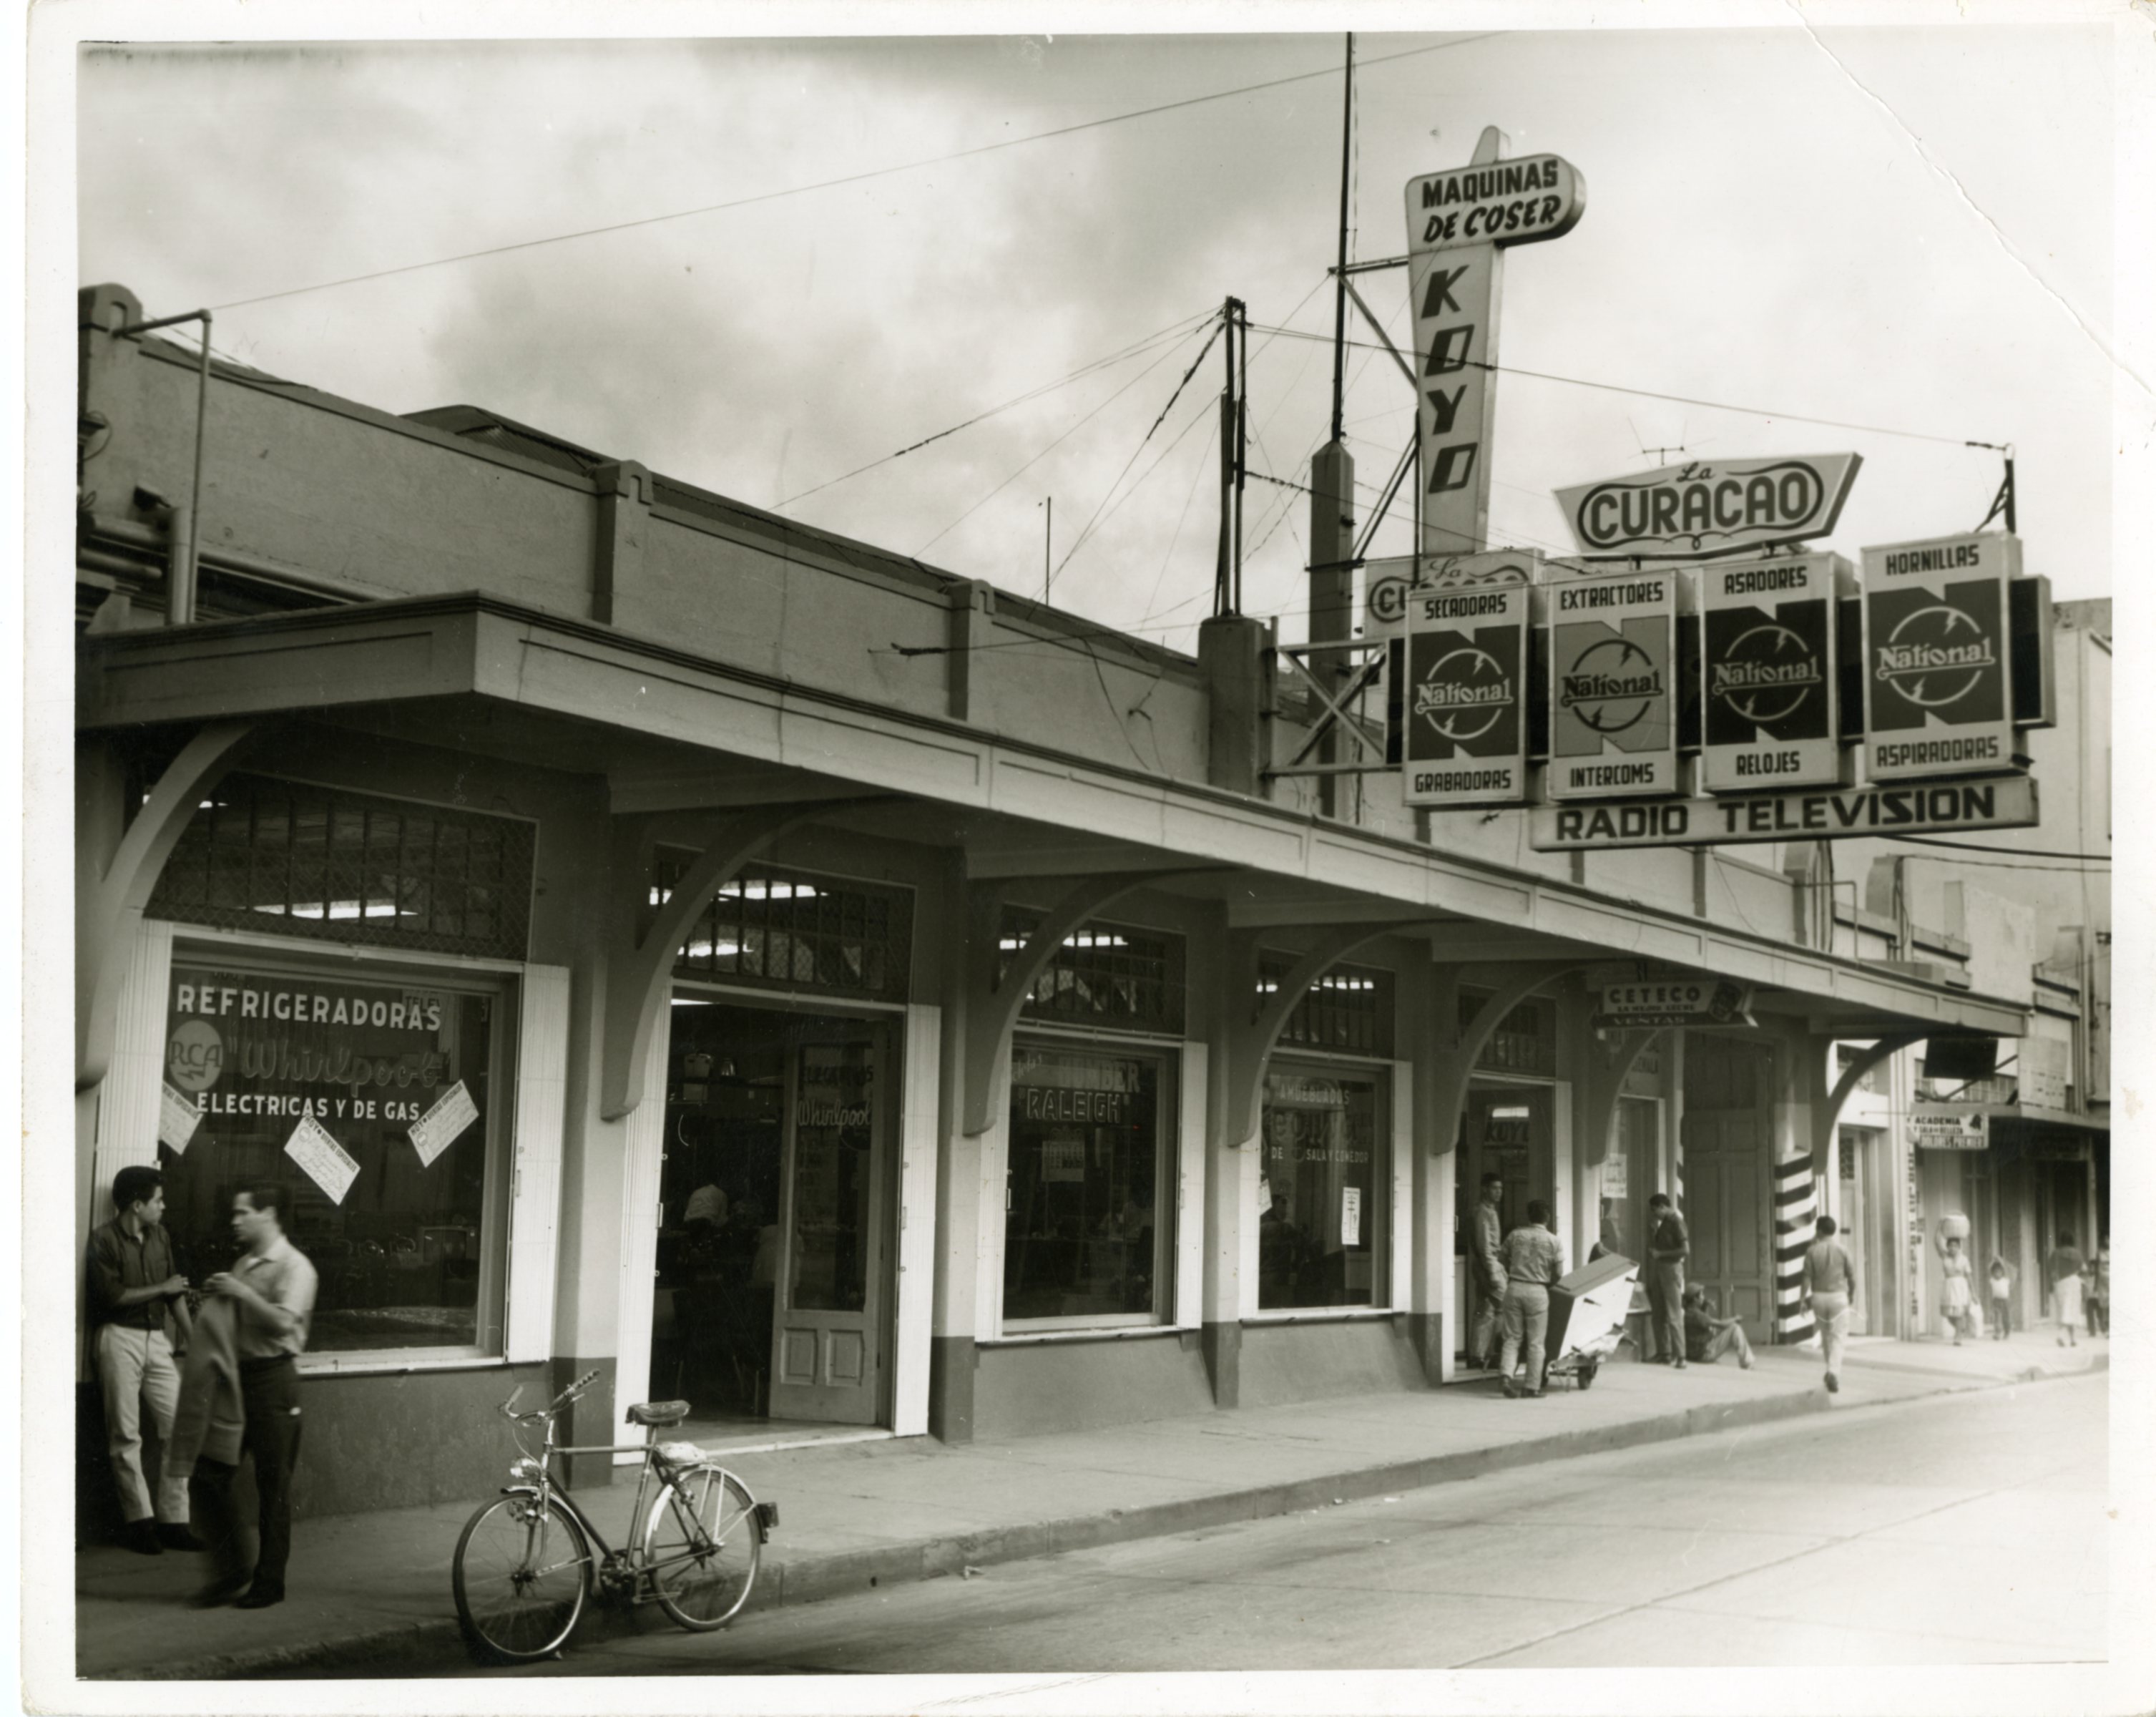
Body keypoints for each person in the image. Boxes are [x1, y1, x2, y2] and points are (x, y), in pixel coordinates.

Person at [187, 1183, 318, 1609]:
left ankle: (269, 1583)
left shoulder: (296, 1267)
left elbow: (283, 1323)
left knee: (273, 1485)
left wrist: (240, 1293)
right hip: (237, 1382)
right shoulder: (244, 1263)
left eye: (244, 1213)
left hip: (274, 1381)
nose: (235, 1220)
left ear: (269, 1214)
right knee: (208, 1474)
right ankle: (232, 1570)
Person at [84, 1165, 200, 1555]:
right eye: (158, 1201)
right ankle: (140, 1522)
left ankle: (174, 1520)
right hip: (119, 1338)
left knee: (179, 1424)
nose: (163, 1207)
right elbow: (112, 1296)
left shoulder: (160, 1236)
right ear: (137, 1204)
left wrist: (194, 1338)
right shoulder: (103, 1240)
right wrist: (163, 1288)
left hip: (157, 1339)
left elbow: (175, 1294)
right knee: (125, 1433)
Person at [1496, 1199, 1566, 1399]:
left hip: (1515, 1287)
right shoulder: (1554, 1241)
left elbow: (1501, 1259)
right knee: (1536, 1342)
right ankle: (1531, 1386)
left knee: (1512, 1338)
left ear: (1529, 1216)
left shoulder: (1515, 1235)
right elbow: (1559, 1272)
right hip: (1538, 1291)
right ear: (1547, 1218)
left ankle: (1506, 1376)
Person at [1801, 1214, 1858, 1394]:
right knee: (1838, 1337)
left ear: (1818, 1230)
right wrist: (1851, 1295)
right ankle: (1833, 1372)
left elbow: (1806, 1278)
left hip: (1818, 1297)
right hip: (1838, 1297)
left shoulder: (1812, 1251)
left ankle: (1830, 1370)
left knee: (1826, 1336)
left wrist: (1802, 1299)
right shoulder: (1843, 1250)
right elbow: (1852, 1277)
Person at [1645, 1192, 1689, 1369]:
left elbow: (1685, 1250)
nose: (1654, 1214)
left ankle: (1681, 1357)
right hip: (1662, 1269)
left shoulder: (1677, 1222)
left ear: (1663, 1207)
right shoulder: (1665, 1223)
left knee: (1673, 1314)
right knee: (1659, 1313)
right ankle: (1664, 1353)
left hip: (1671, 1269)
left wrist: (1660, 1254)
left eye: (1655, 1210)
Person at [1468, 1172, 1507, 1370]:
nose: (1498, 1192)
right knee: (1503, 1305)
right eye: (1494, 1188)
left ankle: (1477, 1355)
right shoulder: (1483, 1212)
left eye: (1500, 1188)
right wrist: (1493, 1272)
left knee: (1485, 1309)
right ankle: (1495, 1354)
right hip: (1487, 1265)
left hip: (1487, 1264)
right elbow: (1484, 1246)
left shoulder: (1490, 1211)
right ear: (1485, 1189)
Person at [1682, 1285, 1754, 1368]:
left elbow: (1702, 1326)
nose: (1703, 1297)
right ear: (1695, 1299)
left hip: (1691, 1355)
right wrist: (1735, 1318)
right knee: (1734, 1327)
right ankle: (1746, 1362)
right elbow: (1721, 1324)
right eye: (1701, 1295)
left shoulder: (1686, 1312)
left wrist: (1705, 1306)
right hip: (1703, 1356)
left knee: (1712, 1329)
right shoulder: (1698, 1315)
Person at [2046, 1231, 2086, 1348]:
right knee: (2072, 1311)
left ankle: (2065, 1337)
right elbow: (2084, 1269)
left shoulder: (2056, 1253)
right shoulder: (2077, 1254)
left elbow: (2051, 1271)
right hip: (2074, 1282)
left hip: (2061, 1284)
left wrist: (2051, 1285)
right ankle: (2069, 1338)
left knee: (2063, 1311)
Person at [1939, 1234, 1974, 1346]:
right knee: (1948, 1315)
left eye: (1955, 1246)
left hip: (1960, 1287)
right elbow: (1936, 1243)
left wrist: (1973, 1293)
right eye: (1950, 1245)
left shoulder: (1964, 1259)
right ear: (1947, 1247)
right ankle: (1962, 1328)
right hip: (1948, 1286)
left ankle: (1958, 1336)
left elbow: (1969, 1276)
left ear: (1959, 1247)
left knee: (1959, 1313)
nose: (1952, 1248)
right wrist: (1940, 1227)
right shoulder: (1945, 1257)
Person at [1987, 1255, 2016, 1339]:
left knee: (2006, 1318)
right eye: (1995, 1272)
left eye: (1999, 1272)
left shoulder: (2006, 1280)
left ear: (2002, 1273)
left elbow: (2006, 1269)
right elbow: (1989, 1269)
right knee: (1997, 1318)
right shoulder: (1992, 1280)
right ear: (1993, 1273)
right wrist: (1993, 1261)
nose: (1997, 1274)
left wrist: (2000, 1260)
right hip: (1996, 1301)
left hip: (2006, 1301)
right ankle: (1997, 1333)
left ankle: (2007, 1332)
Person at [2086, 1236, 2109, 1337]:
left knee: (2101, 1314)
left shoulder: (2098, 1275)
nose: (2092, 1269)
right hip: (2092, 1297)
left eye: (2093, 1267)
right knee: (2091, 1313)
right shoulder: (2087, 1276)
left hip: (2099, 1296)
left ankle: (2104, 1329)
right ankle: (2093, 1331)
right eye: (2090, 1267)